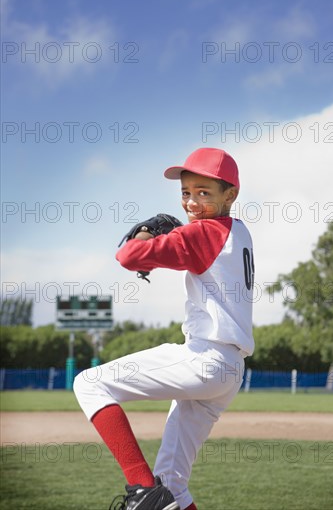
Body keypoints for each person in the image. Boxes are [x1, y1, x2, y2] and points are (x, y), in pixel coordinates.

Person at [74, 147, 255, 510]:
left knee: (89, 384)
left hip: (205, 358)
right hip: (230, 371)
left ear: (230, 195)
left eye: (204, 192)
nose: (191, 202)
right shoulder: (240, 232)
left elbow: (127, 256)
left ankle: (142, 490)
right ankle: (157, 494)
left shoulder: (203, 234)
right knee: (173, 483)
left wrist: (144, 232)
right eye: (186, 192)